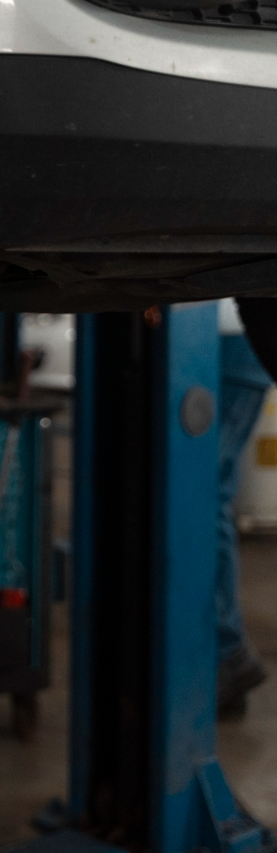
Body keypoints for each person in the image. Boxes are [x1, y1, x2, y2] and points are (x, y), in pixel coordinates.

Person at [218, 301, 270, 716]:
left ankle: (226, 651)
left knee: (200, 492)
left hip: (227, 334)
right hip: (232, 331)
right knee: (207, 489)